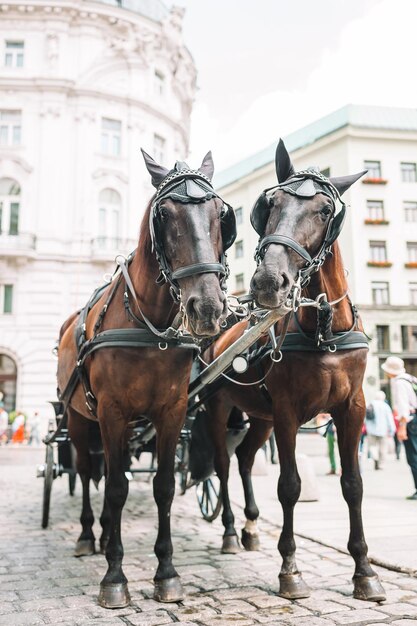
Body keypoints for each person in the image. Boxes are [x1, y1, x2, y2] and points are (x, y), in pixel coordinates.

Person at [381, 356, 417, 500]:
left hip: (410, 421)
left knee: (413, 456)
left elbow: (403, 407)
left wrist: (402, 427)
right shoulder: (411, 378)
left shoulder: (399, 382)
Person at [365, 390, 396, 470]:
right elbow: (390, 419)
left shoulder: (369, 404)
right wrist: (392, 429)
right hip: (383, 430)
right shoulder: (385, 406)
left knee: (372, 446)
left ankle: (375, 457)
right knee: (383, 448)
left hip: (371, 430)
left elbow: (365, 418)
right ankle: (381, 464)